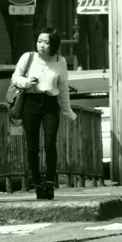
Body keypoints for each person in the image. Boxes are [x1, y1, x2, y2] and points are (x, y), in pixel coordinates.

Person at [11, 27, 76, 200]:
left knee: (50, 144)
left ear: (53, 44)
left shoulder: (60, 61)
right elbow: (15, 78)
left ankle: (49, 182)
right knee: (32, 146)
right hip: (30, 103)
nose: (42, 45)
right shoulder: (28, 57)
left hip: (50, 105)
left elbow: (63, 89)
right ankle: (38, 183)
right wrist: (27, 82)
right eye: (39, 41)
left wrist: (67, 111)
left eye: (46, 42)